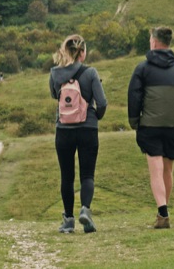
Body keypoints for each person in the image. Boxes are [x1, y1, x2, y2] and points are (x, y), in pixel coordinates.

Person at [127, 27, 174, 229]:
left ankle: (162, 212)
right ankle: (164, 210)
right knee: (168, 169)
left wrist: (134, 121)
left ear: (155, 43)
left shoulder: (142, 69)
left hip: (150, 126)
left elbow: (134, 96)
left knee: (155, 169)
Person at [49, 34, 108, 233]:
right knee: (87, 174)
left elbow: (54, 96)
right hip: (87, 128)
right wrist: (94, 116)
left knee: (66, 176)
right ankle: (85, 210)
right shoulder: (90, 72)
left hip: (63, 130)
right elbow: (102, 102)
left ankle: (68, 220)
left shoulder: (55, 74)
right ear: (82, 52)